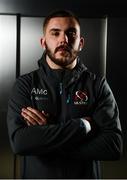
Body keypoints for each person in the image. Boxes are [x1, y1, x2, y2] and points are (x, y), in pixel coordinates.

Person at [7, 9, 123, 179]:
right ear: (43, 42)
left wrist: (45, 137)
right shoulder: (25, 84)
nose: (64, 39)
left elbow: (113, 146)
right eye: (55, 33)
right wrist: (82, 127)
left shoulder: (97, 85)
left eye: (71, 33)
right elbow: (20, 143)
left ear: (81, 43)